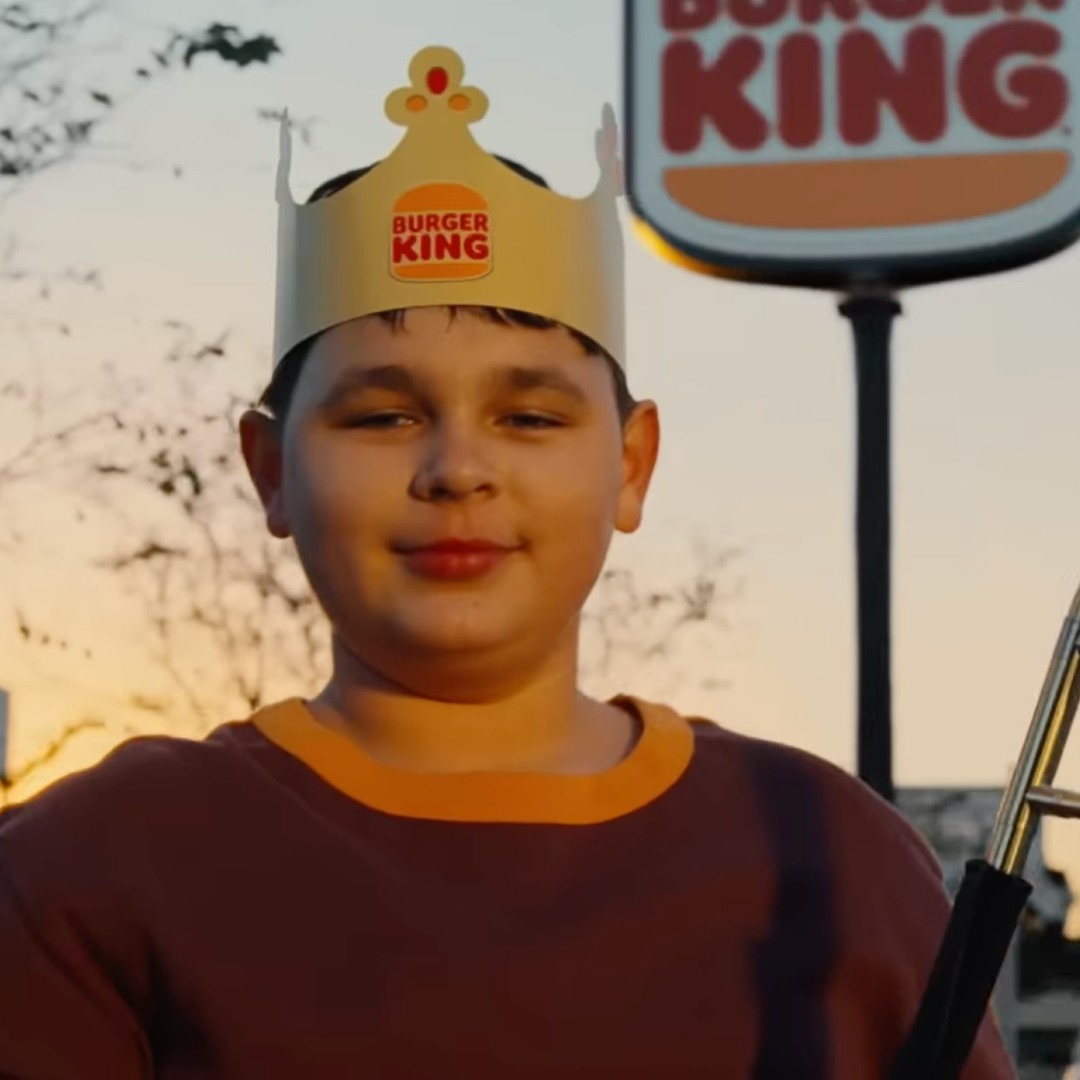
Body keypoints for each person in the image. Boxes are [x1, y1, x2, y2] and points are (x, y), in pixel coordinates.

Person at [0, 45, 1017, 1079]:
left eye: (528, 416)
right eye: (384, 415)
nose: (457, 469)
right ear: (270, 469)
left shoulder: (831, 852)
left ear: (630, 466)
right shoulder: (98, 864)